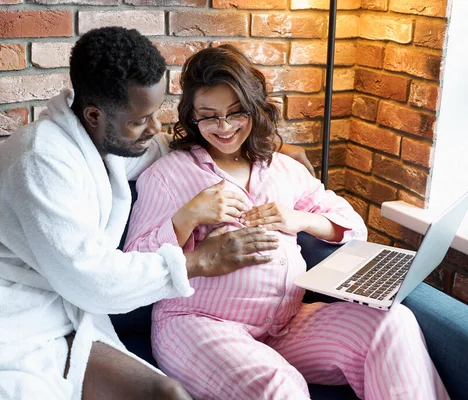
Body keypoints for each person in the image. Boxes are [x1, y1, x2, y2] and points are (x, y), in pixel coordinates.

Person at [0, 28, 314, 400]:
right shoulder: (40, 160)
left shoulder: (111, 141)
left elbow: (173, 148)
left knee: (167, 394)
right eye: (141, 120)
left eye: (156, 113)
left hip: (67, 320)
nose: (155, 128)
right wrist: (198, 261)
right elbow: (92, 280)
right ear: (94, 115)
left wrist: (269, 151)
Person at [124, 44, 450, 400]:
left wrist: (300, 219)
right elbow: (133, 263)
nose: (224, 127)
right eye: (209, 115)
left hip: (286, 325)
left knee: (393, 322)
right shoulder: (167, 175)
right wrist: (187, 217)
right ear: (192, 117)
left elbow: (353, 225)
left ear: (254, 108)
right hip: (197, 324)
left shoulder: (282, 169)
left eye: (236, 113)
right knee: (281, 388)